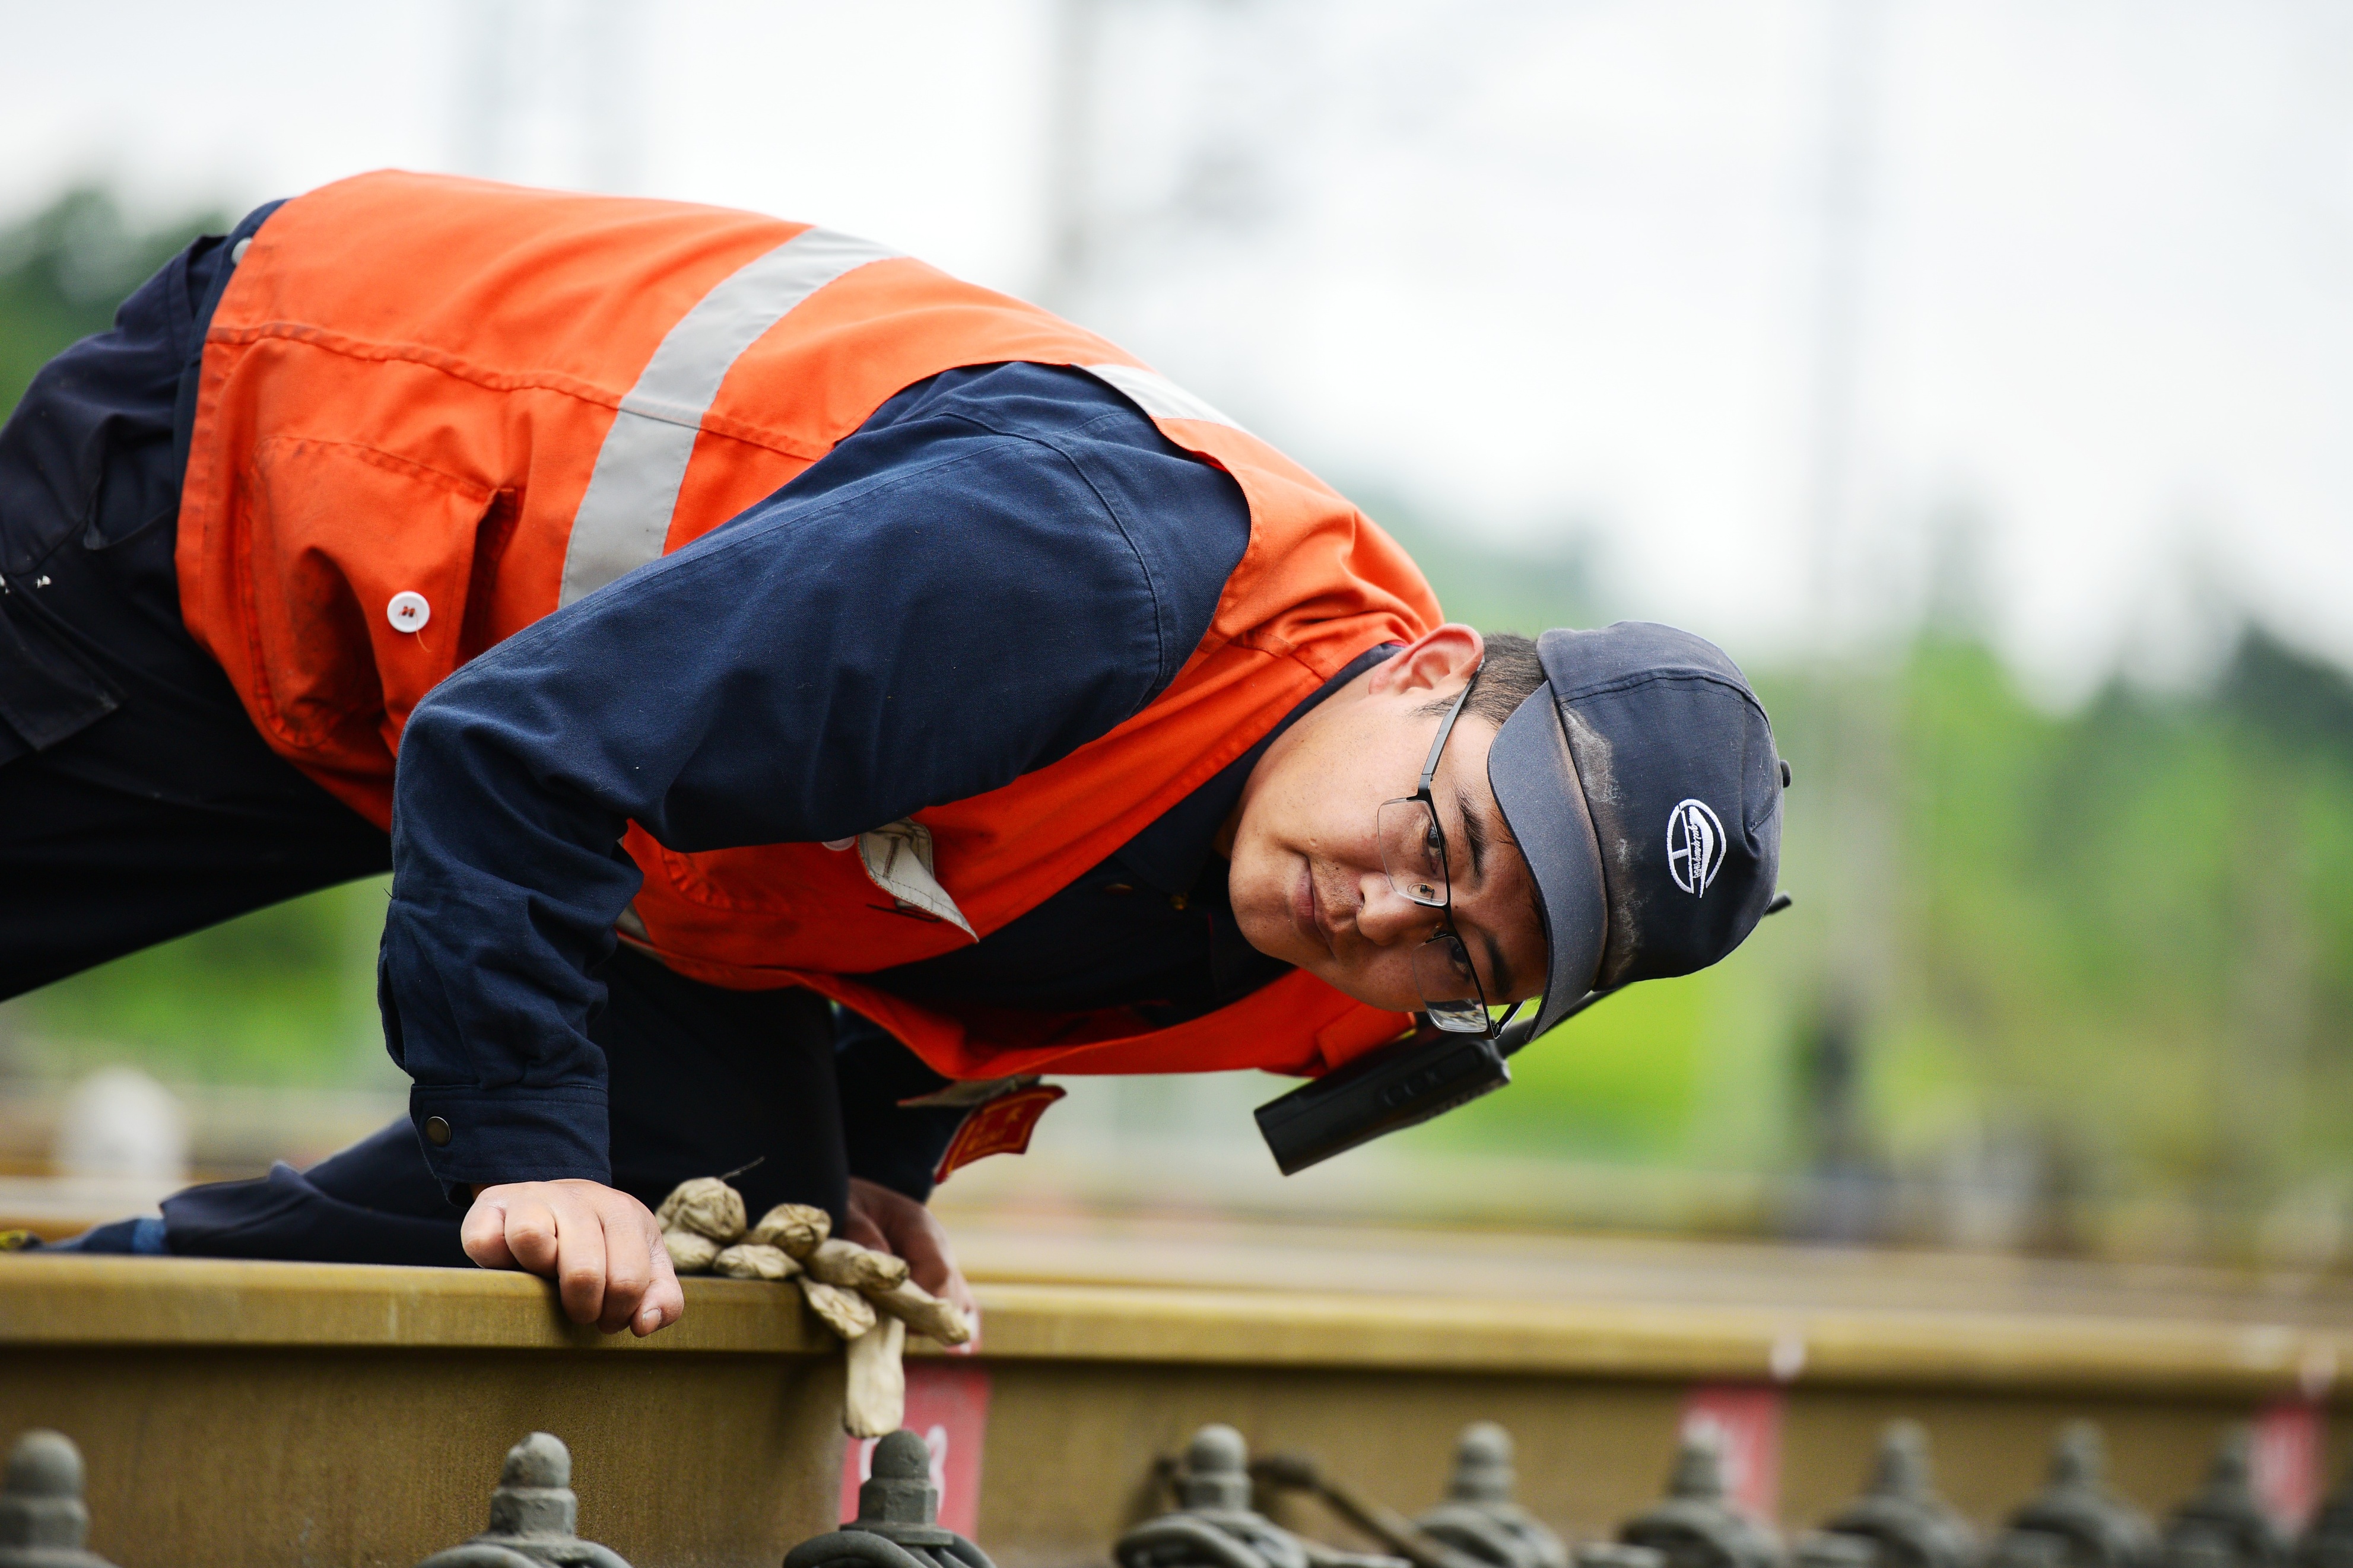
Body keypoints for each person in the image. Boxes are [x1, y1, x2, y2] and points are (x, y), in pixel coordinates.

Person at [1, 173, 1786, 1338]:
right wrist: (530, 1153)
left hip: (531, 722)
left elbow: (1001, 906)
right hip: (291, 470)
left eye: (1467, 952)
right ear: (1431, 666)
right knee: (554, 1174)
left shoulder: (1364, 940)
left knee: (743, 1221)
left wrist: (869, 1154)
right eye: (1443, 834)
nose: (1388, 909)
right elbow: (519, 756)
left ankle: (111, 1351)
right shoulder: (1079, 574)